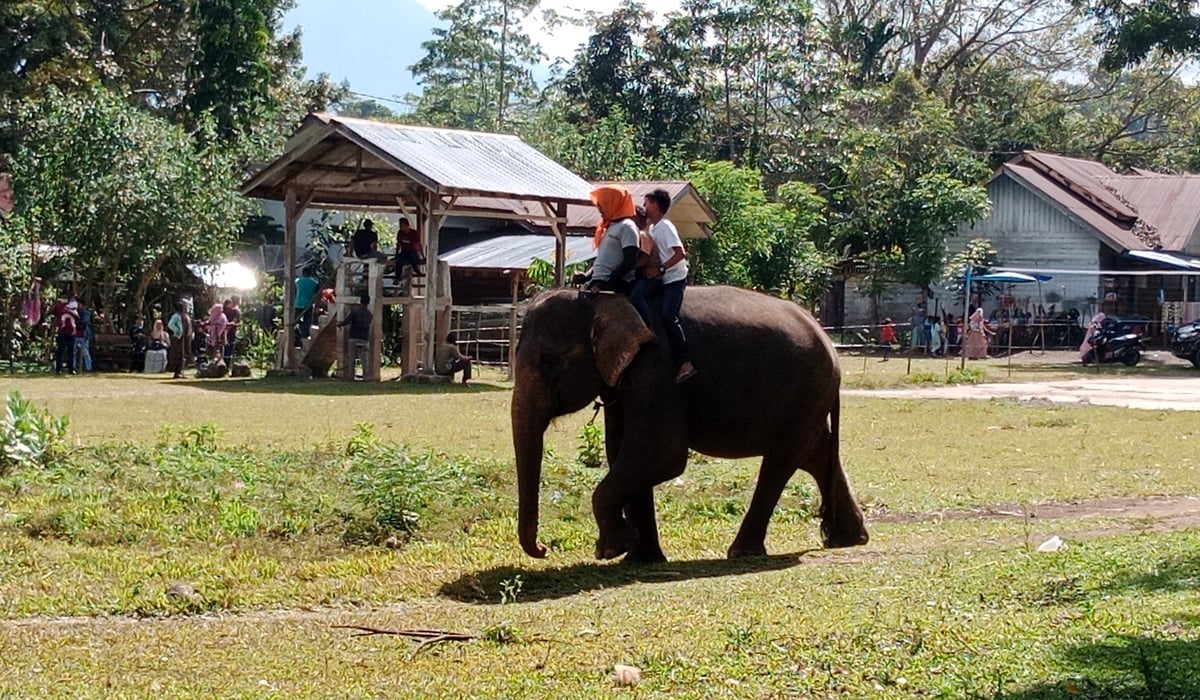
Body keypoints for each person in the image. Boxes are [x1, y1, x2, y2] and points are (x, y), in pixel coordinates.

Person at [631, 188, 697, 383]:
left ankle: (685, 362)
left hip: (674, 278)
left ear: (656, 206)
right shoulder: (652, 229)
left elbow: (679, 253)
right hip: (662, 277)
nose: (645, 208)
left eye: (647, 204)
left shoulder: (666, 226)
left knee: (669, 314)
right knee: (638, 293)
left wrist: (660, 269)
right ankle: (648, 328)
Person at [586, 185, 639, 294]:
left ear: (613, 203)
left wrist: (608, 282)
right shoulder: (609, 227)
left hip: (615, 285)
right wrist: (587, 276)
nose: (599, 209)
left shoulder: (627, 227)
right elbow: (604, 260)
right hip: (599, 282)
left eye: (603, 204)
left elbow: (630, 260)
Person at [338, 293, 374, 380]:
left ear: (360, 301)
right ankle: (366, 376)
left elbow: (347, 321)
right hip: (364, 338)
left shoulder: (355, 311)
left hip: (353, 337)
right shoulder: (369, 314)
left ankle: (351, 376)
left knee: (352, 358)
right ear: (368, 302)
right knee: (364, 358)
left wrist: (340, 324)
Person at [294, 267, 319, 343]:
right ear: (310, 274)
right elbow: (317, 294)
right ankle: (304, 336)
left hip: (298, 304)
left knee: (296, 321)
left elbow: (294, 292)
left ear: (302, 273)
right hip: (309, 305)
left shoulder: (297, 281)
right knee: (307, 321)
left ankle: (297, 337)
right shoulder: (314, 283)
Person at [52, 297, 77, 375]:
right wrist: (56, 304)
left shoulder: (73, 305)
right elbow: (51, 312)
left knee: (71, 351)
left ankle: (71, 369)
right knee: (60, 350)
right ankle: (58, 369)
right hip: (62, 331)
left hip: (71, 331)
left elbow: (77, 316)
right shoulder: (58, 306)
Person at [166, 301, 188, 379]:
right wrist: (177, 331)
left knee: (182, 355)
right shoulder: (176, 316)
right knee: (177, 355)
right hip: (177, 338)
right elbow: (170, 324)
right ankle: (176, 372)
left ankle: (180, 371)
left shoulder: (184, 316)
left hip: (183, 338)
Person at [73, 298, 93, 372]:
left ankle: (89, 368)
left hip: (83, 335)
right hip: (75, 334)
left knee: (85, 352)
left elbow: (84, 323)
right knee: (73, 352)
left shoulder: (86, 313)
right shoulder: (73, 312)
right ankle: (73, 367)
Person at [222, 296, 241, 364]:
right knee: (228, 347)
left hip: (225, 331)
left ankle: (225, 363)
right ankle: (226, 363)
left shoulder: (226, 309)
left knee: (226, 348)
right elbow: (235, 321)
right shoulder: (235, 311)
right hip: (229, 331)